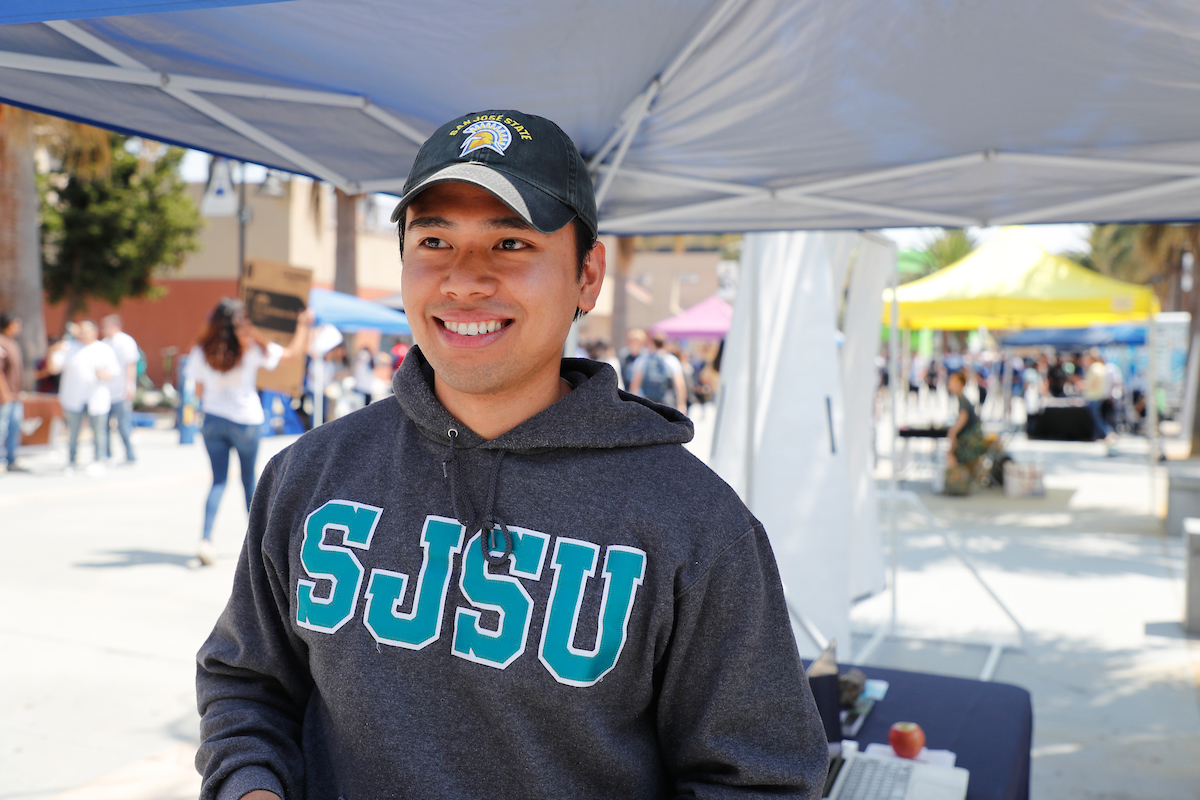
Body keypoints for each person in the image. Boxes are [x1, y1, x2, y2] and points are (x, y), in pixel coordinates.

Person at [195, 109, 827, 800]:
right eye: (434, 239)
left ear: (588, 275)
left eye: (511, 244)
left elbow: (761, 780)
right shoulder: (309, 476)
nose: (463, 281)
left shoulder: (697, 525)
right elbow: (246, 685)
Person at [185, 299, 311, 566]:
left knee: (218, 480)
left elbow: (198, 391)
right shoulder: (252, 348)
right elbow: (291, 354)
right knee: (249, 482)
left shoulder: (202, 350)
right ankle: (258, 546)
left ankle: (205, 540)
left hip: (212, 419)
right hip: (245, 420)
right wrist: (303, 325)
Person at [49, 320, 120, 475]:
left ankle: (100, 459)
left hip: (96, 397)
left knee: (99, 430)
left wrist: (104, 375)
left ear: (94, 332)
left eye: (85, 331)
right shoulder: (69, 348)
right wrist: (52, 350)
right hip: (74, 397)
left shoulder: (104, 349)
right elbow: (53, 368)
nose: (82, 333)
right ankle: (72, 460)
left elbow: (114, 372)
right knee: (73, 431)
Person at [100, 314, 141, 465]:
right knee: (104, 426)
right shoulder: (105, 342)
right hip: (106, 392)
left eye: (105, 326)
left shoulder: (125, 341)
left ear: (115, 325)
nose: (103, 329)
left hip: (120, 391)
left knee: (123, 424)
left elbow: (130, 364)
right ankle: (106, 454)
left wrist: (129, 386)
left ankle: (130, 455)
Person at [629, 332, 688, 413]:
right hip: (666, 403)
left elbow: (635, 384)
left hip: (647, 402)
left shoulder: (643, 359)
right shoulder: (671, 360)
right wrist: (681, 405)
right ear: (665, 344)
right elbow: (680, 385)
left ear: (652, 343)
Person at [0, 312, 27, 473]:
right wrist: (5, 393)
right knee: (1, 429)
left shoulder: (12, 342)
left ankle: (11, 459)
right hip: (5, 396)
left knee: (13, 428)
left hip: (15, 395)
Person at [946, 369, 987, 468]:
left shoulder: (962, 399)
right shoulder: (961, 398)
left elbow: (963, 417)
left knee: (951, 454)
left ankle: (957, 480)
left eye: (952, 382)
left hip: (971, 441)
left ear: (960, 384)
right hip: (971, 438)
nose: (949, 385)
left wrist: (952, 432)